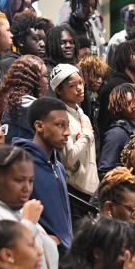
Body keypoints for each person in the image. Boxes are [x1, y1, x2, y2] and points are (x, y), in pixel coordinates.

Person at [13, 97, 73, 251]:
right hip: (39, 255)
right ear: (39, 126)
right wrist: (45, 240)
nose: (67, 133)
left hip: (65, 259)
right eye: (60, 125)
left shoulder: (58, 166)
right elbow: (14, 211)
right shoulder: (21, 163)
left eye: (68, 126)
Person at [51, 64, 98, 199]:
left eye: (81, 83)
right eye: (72, 86)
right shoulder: (61, 117)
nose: (79, 88)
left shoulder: (81, 114)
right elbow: (68, 159)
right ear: (59, 90)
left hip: (91, 188)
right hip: (75, 191)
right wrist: (87, 134)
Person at [0, 54, 47, 144]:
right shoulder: (27, 105)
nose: (46, 81)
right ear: (33, 80)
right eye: (44, 76)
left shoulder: (9, 100)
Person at [98, 83, 135, 175]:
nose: (134, 105)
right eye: (128, 103)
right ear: (119, 107)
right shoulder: (116, 133)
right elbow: (104, 170)